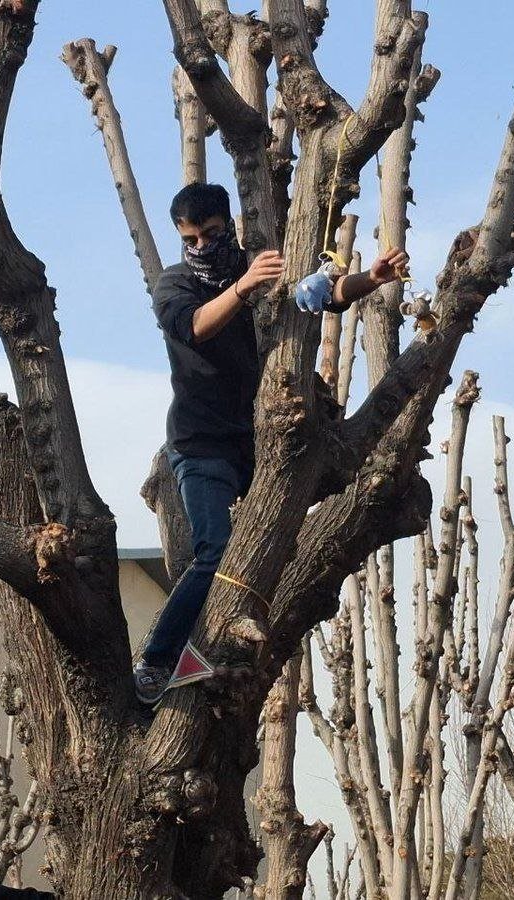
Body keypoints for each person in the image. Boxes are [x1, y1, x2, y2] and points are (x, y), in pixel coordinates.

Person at [134, 182, 409, 705]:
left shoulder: (257, 267)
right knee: (212, 549)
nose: (200, 247)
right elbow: (194, 328)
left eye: (211, 235)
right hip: (201, 442)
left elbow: (316, 296)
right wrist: (241, 290)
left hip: (257, 442)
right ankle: (157, 659)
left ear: (228, 227)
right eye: (190, 239)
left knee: (268, 549)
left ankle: (215, 646)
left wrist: (369, 279)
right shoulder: (174, 285)